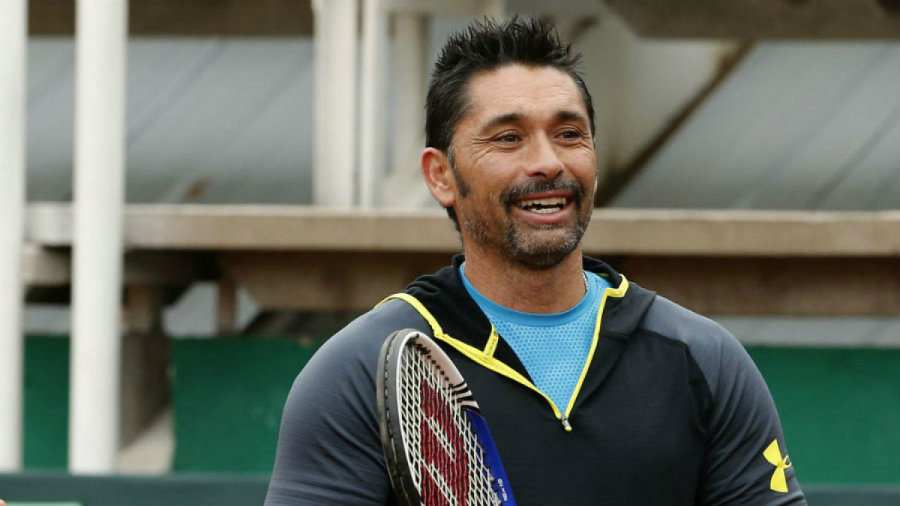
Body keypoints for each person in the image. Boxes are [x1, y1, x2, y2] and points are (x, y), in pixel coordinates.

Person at [265, 17, 805, 506]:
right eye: (508, 138)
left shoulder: (702, 359)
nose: (548, 162)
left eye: (569, 134)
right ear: (441, 176)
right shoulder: (359, 370)